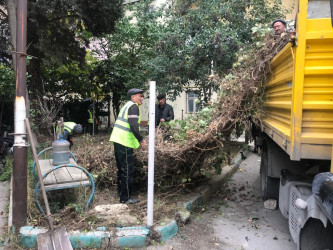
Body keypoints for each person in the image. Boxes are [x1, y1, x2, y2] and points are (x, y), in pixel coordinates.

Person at [110, 88, 146, 204]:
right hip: (124, 142)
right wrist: (141, 139)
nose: (142, 98)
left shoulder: (127, 105)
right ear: (133, 97)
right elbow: (133, 126)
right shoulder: (133, 107)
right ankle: (125, 198)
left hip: (118, 140)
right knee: (127, 171)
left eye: (142, 96)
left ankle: (121, 193)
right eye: (140, 96)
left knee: (122, 169)